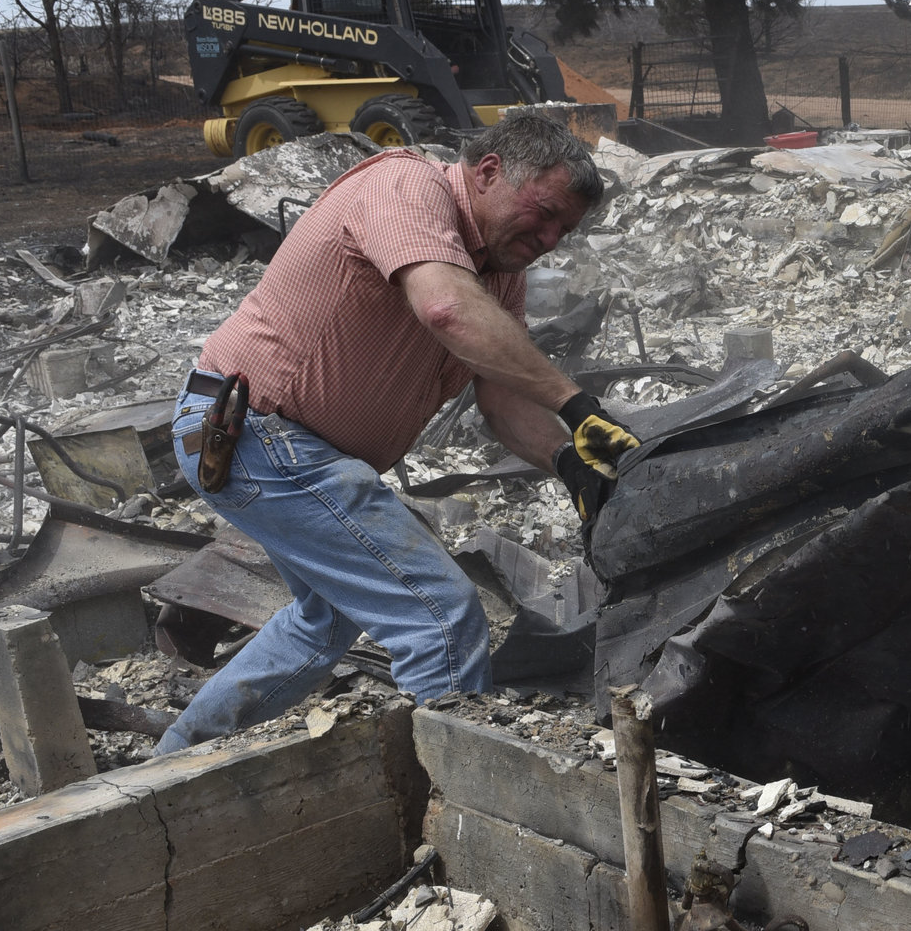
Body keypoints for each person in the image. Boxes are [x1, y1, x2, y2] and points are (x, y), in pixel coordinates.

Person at [153, 113, 635, 755]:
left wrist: (567, 460)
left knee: (322, 621)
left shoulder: (499, 272)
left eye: (564, 230)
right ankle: (464, 803)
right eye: (543, 213)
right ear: (489, 171)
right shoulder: (407, 188)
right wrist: (577, 407)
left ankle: (178, 757)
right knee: (440, 616)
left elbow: (501, 402)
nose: (549, 238)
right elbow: (445, 308)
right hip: (255, 433)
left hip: (295, 450)